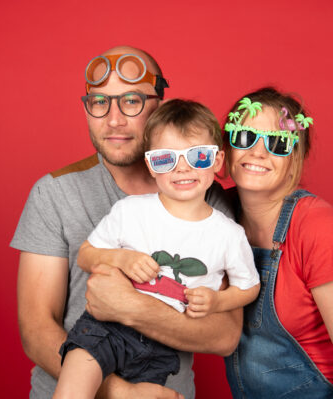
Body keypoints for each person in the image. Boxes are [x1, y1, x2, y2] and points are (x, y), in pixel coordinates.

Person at [11, 45, 243, 399]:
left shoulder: (205, 198)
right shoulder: (54, 193)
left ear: (159, 108)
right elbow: (37, 329)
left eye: (131, 101)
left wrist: (132, 306)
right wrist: (120, 393)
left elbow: (225, 336)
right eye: (100, 102)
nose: (114, 119)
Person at [53, 99, 260, 399]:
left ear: (217, 161)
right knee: (74, 384)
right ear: (151, 165)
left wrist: (217, 301)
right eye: (166, 159)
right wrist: (120, 258)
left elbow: (248, 288)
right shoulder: (131, 211)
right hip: (105, 327)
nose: (182, 168)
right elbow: (86, 254)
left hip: (165, 340)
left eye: (198, 156)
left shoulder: (229, 234)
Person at [221, 87, 333, 398]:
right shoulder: (219, 217)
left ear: (295, 158)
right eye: (244, 137)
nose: (258, 152)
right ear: (225, 149)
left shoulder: (318, 228)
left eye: (278, 143)